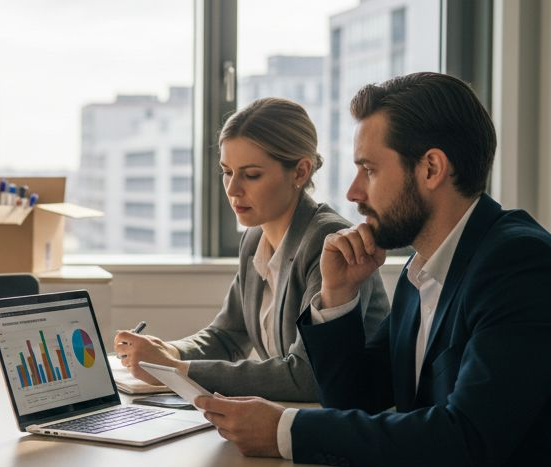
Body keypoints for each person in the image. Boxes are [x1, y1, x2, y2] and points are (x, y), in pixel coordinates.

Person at [195, 72, 551, 467]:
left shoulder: (522, 267)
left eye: (368, 170)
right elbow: (356, 397)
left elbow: (464, 438)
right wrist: (336, 298)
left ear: (430, 169)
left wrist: (285, 430)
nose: (352, 192)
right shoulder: (424, 268)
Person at [114, 97, 388, 401]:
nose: (232, 189)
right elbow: (228, 335)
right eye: (227, 171)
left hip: (350, 419)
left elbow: (305, 375)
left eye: (251, 174)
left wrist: (178, 369)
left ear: (300, 172)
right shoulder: (254, 238)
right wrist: (169, 351)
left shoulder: (328, 239)